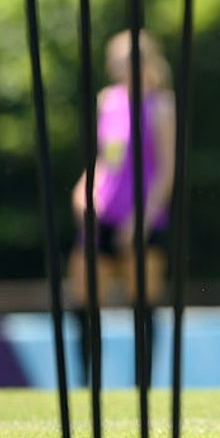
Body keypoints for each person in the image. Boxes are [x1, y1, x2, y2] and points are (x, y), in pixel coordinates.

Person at [69, 29, 176, 387]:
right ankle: (87, 385)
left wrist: (140, 220)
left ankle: (142, 386)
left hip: (142, 219)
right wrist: (84, 192)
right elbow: (104, 160)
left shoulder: (161, 105)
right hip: (102, 217)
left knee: (143, 304)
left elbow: (166, 171)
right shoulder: (108, 101)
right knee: (85, 302)